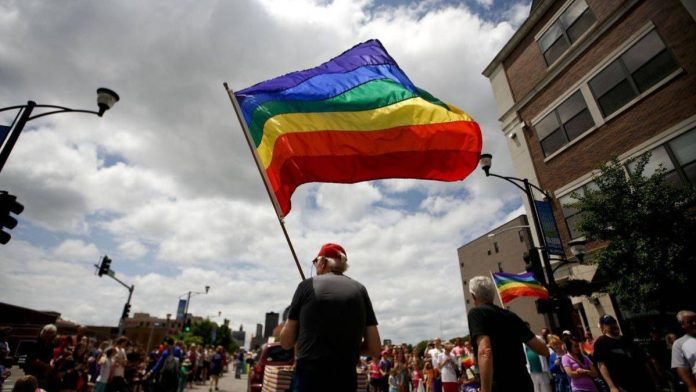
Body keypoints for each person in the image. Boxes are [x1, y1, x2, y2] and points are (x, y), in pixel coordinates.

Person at [279, 243, 382, 392]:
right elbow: (374, 348)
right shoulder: (360, 290)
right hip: (345, 378)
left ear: (322, 262)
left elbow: (286, 342)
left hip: (309, 377)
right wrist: (346, 348)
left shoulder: (306, 286)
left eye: (315, 262)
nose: (315, 266)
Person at [466, 276, 549, 392]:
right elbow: (542, 349)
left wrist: (485, 390)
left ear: (474, 296)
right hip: (523, 383)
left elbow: (485, 352)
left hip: (500, 384)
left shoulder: (476, 313)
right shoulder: (511, 316)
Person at [593, 314, 658, 392]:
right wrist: (612, 387)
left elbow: (644, 361)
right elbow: (601, 365)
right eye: (609, 324)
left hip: (643, 382)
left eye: (614, 322)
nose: (613, 325)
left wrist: (655, 381)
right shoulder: (601, 342)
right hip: (623, 386)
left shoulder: (628, 339)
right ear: (603, 327)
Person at [25, 324, 58, 392]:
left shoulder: (50, 344)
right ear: (43, 331)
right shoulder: (34, 343)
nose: (49, 335)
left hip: (44, 374)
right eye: (47, 333)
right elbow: (32, 360)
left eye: (51, 333)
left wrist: (51, 363)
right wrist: (46, 365)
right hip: (33, 372)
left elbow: (52, 356)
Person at [671, 310, 696, 391]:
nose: (694, 323)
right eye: (690, 322)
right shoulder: (679, 343)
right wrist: (691, 386)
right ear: (682, 325)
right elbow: (681, 368)